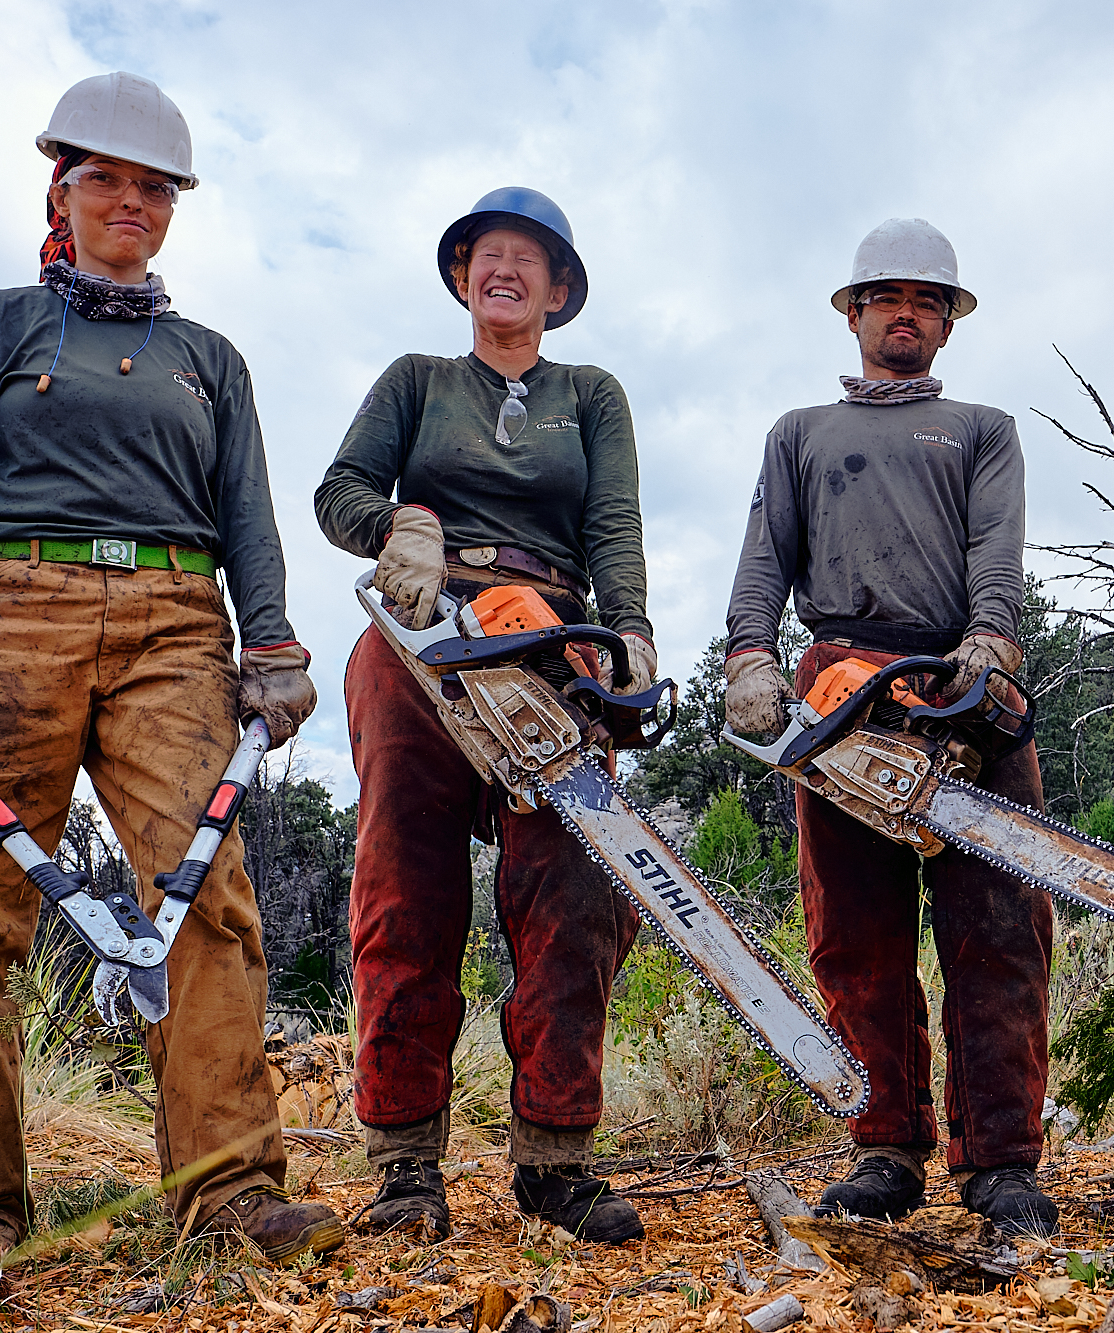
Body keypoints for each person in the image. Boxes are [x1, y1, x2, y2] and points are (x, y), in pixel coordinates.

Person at [0, 72, 338, 1260]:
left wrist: (268, 642)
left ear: (175, 207)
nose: (129, 200)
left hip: (175, 620)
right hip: (9, 611)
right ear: (58, 192)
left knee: (205, 898)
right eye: (102, 178)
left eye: (153, 185)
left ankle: (228, 1197)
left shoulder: (208, 357)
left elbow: (249, 516)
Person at [315, 187, 657, 1244]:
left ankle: (555, 1156)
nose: (504, 270)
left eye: (528, 260)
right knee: (402, 890)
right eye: (486, 256)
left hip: (548, 635)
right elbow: (340, 492)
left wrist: (630, 631)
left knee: (572, 890)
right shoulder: (416, 383)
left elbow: (611, 525)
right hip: (422, 635)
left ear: (558, 289)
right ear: (463, 275)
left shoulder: (589, 393)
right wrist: (402, 525)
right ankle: (404, 1162)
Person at [722, 219, 1058, 1235]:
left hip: (957, 675)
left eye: (928, 300)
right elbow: (761, 554)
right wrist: (749, 653)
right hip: (836, 682)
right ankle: (885, 1146)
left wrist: (990, 642)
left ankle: (999, 1157)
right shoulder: (798, 432)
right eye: (888, 297)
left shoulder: (981, 428)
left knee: (998, 930)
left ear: (946, 325)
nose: (906, 312)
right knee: (856, 933)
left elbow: (995, 549)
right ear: (855, 312)